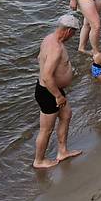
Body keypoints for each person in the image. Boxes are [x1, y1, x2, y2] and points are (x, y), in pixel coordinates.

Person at [33, 14, 83, 169]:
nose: (73, 36)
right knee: (46, 130)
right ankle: (39, 160)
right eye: (73, 32)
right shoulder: (55, 47)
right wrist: (58, 96)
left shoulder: (49, 38)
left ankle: (62, 151)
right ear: (67, 31)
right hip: (49, 92)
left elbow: (39, 57)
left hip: (54, 89)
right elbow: (47, 76)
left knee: (66, 115)